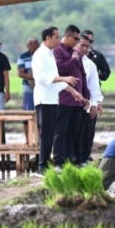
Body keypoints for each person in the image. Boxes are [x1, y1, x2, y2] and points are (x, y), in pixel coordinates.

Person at [32, 26, 83, 175]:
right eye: (56, 37)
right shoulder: (40, 54)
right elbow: (41, 78)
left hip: (53, 99)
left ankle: (46, 166)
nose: (58, 40)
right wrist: (64, 77)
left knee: (51, 133)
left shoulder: (50, 54)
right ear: (48, 38)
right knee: (47, 134)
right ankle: (42, 167)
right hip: (44, 99)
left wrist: (74, 92)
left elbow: (57, 81)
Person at [53, 25, 91, 168]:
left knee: (73, 132)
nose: (76, 42)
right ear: (67, 36)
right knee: (61, 132)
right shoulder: (58, 51)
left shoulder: (75, 53)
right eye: (75, 38)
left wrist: (86, 95)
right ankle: (59, 162)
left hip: (78, 100)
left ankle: (71, 161)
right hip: (64, 98)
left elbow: (82, 75)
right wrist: (74, 59)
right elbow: (60, 70)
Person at [76, 34, 104, 166]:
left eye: (87, 46)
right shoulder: (67, 60)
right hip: (70, 103)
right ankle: (71, 159)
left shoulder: (90, 65)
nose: (84, 49)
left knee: (86, 132)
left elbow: (94, 87)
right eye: (82, 45)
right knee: (71, 133)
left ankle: (83, 157)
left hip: (86, 104)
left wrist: (95, 104)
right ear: (76, 44)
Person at [81, 29, 109, 161]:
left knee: (90, 127)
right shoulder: (76, 56)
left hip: (93, 92)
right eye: (85, 42)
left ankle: (86, 153)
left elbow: (106, 72)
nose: (87, 45)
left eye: (90, 42)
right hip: (78, 94)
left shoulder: (97, 56)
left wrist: (97, 75)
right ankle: (77, 154)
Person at [17, 36, 40, 144]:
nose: (33, 45)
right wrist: (34, 78)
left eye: (35, 43)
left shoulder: (42, 55)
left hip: (41, 87)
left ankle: (39, 140)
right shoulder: (23, 57)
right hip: (28, 87)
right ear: (27, 45)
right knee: (28, 112)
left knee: (40, 113)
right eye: (31, 43)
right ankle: (28, 140)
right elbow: (20, 73)